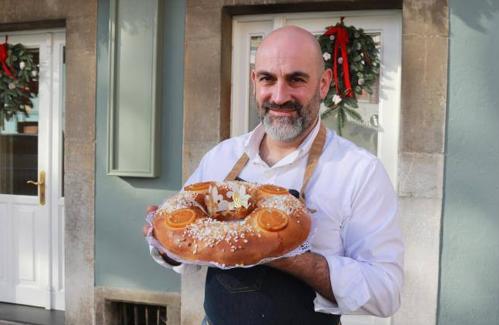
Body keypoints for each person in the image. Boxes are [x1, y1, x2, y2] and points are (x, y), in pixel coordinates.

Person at [147, 25, 403, 325]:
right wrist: (164, 245)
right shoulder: (222, 158)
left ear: (323, 84)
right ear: (255, 81)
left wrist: (290, 257)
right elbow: (186, 253)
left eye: (296, 79)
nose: (279, 96)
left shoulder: (358, 171)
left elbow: (387, 292)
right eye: (268, 79)